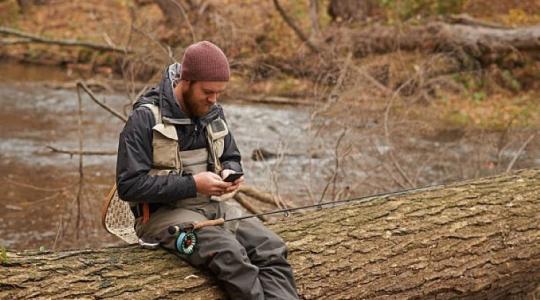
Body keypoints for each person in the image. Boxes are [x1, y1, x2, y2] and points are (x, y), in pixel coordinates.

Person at [116, 41, 299, 300]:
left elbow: (231, 157)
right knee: (232, 255)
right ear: (186, 81)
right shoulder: (144, 120)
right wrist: (194, 184)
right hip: (159, 218)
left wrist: (231, 173)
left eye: (219, 93)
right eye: (208, 92)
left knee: (271, 248)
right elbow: (129, 186)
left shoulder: (213, 112)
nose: (214, 99)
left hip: (211, 208)